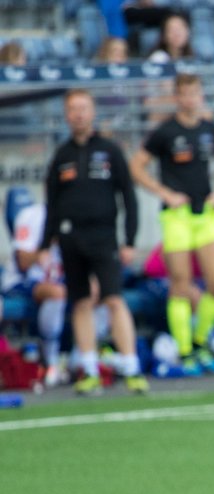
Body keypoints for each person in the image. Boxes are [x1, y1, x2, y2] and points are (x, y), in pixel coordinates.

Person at [131, 73, 214, 376]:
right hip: (177, 216)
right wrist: (165, 193)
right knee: (180, 283)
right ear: (177, 97)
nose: (189, 99)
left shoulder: (210, 129)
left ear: (200, 95)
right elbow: (137, 166)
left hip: (205, 213)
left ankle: (199, 340)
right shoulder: (165, 132)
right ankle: (184, 350)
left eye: (194, 92)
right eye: (184, 93)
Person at [40, 89, 147, 395]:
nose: (78, 114)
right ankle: (88, 369)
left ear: (93, 111)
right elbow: (52, 204)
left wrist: (129, 240)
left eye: (83, 108)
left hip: (104, 237)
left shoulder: (110, 150)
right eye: (73, 109)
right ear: (66, 114)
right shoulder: (61, 156)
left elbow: (128, 196)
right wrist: (46, 245)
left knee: (114, 298)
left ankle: (131, 367)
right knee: (81, 302)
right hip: (71, 238)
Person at [6, 201, 67, 387]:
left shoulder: (75, 214)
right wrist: (47, 245)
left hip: (59, 279)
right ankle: (52, 360)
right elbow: (23, 262)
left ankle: (84, 361)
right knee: (57, 293)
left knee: (94, 290)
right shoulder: (31, 215)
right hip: (23, 281)